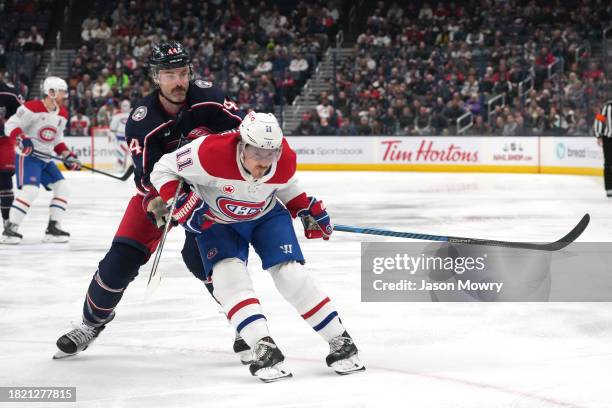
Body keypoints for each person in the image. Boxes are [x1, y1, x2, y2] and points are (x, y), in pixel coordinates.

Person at [54, 41, 249, 361]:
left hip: (210, 190)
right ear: (156, 78)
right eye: (169, 74)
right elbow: (145, 178)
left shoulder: (211, 98)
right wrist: (159, 202)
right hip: (165, 192)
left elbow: (246, 137)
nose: (178, 81)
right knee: (121, 259)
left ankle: (247, 325)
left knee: (207, 259)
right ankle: (92, 323)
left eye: (183, 73)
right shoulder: (143, 121)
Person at [150, 112, 365, 382]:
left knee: (290, 273)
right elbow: (162, 168)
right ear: (241, 143)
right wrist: (179, 200)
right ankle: (262, 345)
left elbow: (284, 183)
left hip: (265, 215)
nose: (263, 162)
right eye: (256, 152)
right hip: (216, 219)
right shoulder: (209, 152)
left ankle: (340, 339)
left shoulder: (284, 158)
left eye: (270, 153)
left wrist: (303, 207)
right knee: (228, 274)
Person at [1, 76, 82, 244]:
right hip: (29, 157)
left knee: (63, 188)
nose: (64, 95)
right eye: (61, 91)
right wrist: (23, 137)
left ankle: (53, 228)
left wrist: (68, 156)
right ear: (51, 92)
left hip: (45, 159)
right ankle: (11, 228)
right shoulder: (32, 107)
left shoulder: (63, 113)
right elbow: (10, 125)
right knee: (30, 190)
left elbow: (57, 140)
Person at [0, 73, 24, 227]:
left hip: (4, 142)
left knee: (5, 181)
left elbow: (24, 114)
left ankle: (8, 223)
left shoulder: (10, 93)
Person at [594, 100, 612, 197]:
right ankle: (609, 188)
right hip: (609, 139)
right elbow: (599, 119)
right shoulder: (607, 106)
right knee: (608, 163)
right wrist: (598, 135)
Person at [108, 99, 132, 172]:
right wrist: (112, 137)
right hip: (119, 139)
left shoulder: (133, 115)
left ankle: (132, 168)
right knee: (121, 154)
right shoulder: (117, 116)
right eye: (124, 105)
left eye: (126, 105)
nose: (125, 107)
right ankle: (121, 166)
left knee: (133, 155)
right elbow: (112, 129)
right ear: (121, 106)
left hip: (130, 139)